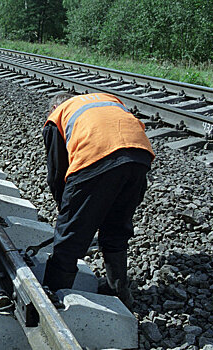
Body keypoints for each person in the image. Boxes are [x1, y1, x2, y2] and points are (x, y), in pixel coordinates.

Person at [41, 92, 154, 309]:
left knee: (69, 239)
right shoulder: (106, 99)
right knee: (116, 228)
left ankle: (53, 296)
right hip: (139, 157)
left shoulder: (57, 117)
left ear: (53, 107)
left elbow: (56, 174)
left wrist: (68, 215)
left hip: (96, 157)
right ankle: (120, 292)